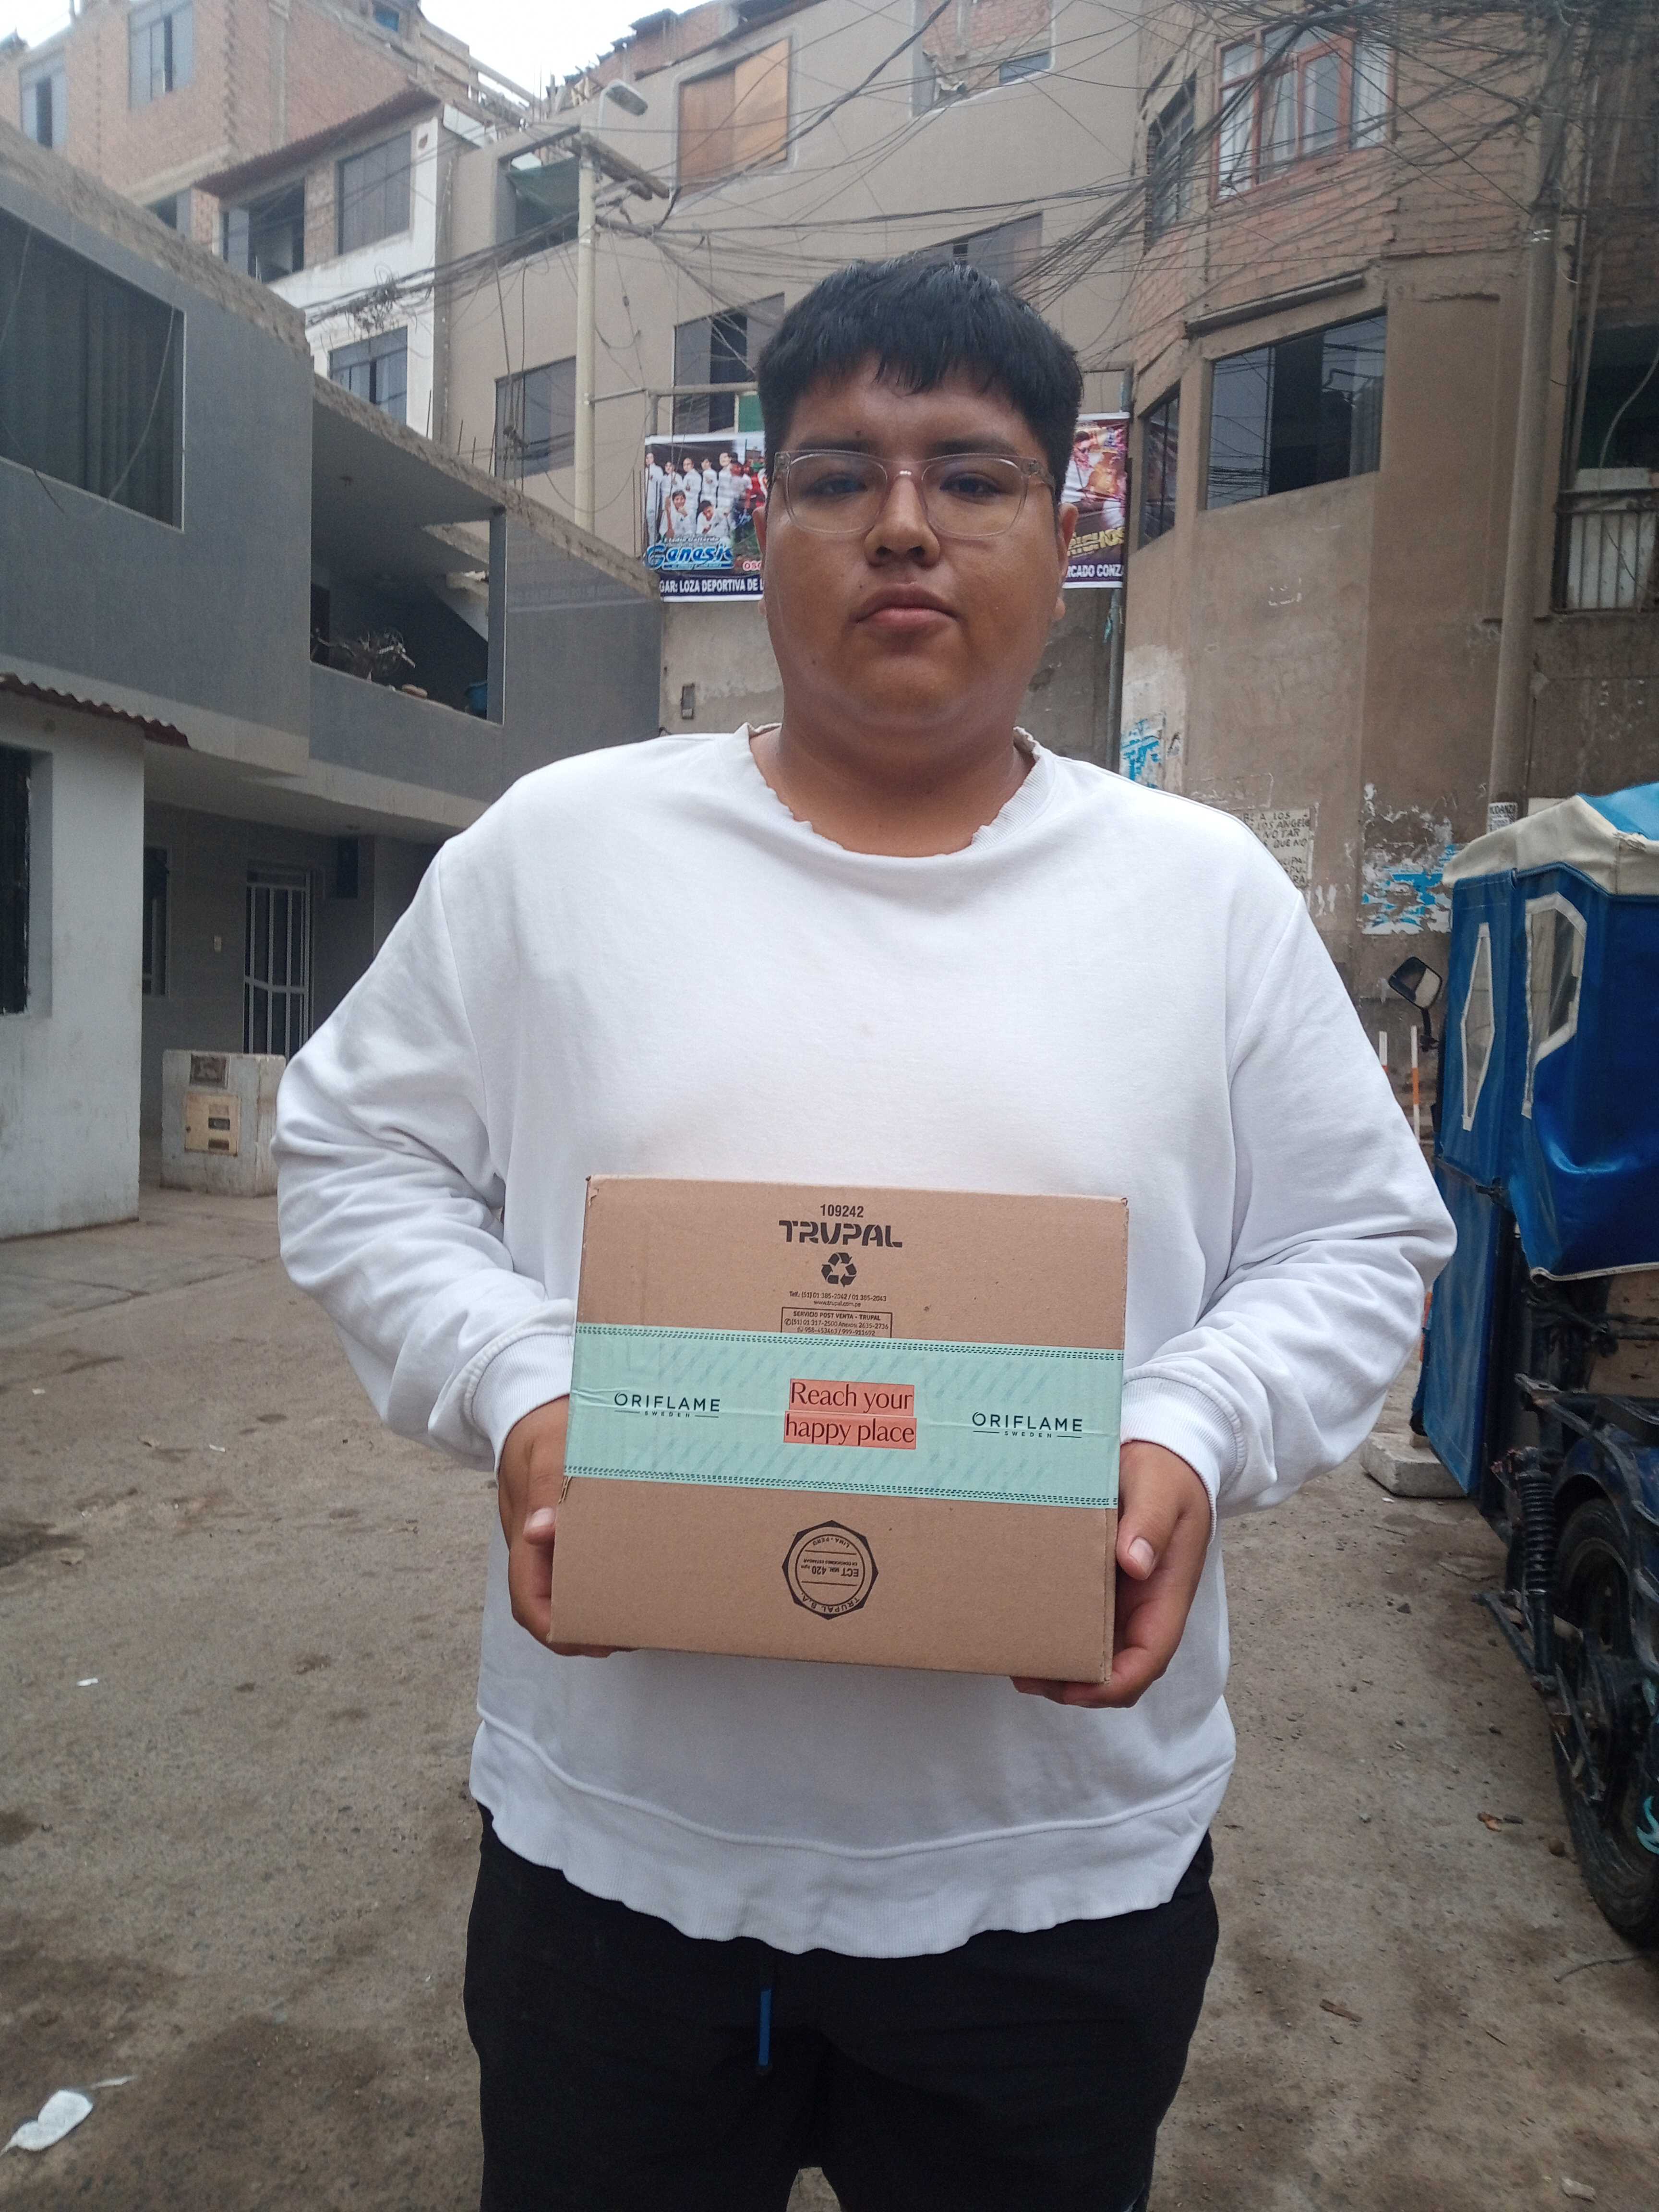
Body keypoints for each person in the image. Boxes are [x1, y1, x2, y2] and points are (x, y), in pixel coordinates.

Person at [275, 257, 1453, 2212]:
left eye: (972, 477)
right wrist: (525, 1388)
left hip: (1051, 1877)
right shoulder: (559, 859)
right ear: (762, 526)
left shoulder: (1204, 897)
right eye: (839, 477)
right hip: (624, 1864)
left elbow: (1354, 1239)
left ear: (1064, 531)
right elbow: (351, 1153)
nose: (904, 526)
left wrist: (1190, 1432)